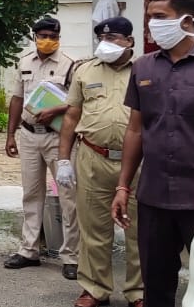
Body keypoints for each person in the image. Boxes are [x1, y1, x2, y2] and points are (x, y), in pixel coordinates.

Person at [112, 0, 194, 307]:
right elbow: (136, 129)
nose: (152, 24)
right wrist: (123, 186)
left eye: (160, 17)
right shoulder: (144, 67)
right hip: (153, 198)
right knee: (156, 285)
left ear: (188, 20)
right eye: (149, 17)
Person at [57, 17, 143, 307]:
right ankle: (95, 289)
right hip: (93, 158)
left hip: (138, 163)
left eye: (114, 38)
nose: (106, 43)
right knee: (93, 229)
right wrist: (63, 161)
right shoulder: (84, 70)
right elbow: (71, 117)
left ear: (130, 41)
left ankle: (138, 291)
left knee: (139, 229)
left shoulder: (146, 70)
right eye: (103, 38)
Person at [3, 16, 80, 279]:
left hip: (59, 138)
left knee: (70, 196)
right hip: (28, 135)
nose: (48, 41)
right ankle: (29, 251)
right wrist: (10, 134)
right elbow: (16, 98)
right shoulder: (24, 62)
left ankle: (71, 256)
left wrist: (55, 110)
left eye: (53, 36)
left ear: (59, 37)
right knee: (31, 193)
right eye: (43, 36)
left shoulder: (70, 65)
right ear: (34, 36)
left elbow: (78, 103)